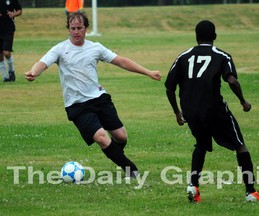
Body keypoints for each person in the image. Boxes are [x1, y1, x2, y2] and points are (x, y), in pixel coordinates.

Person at [25, 11, 161, 178]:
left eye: (79, 28)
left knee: (121, 136)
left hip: (99, 98)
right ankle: (131, 170)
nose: (76, 32)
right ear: (68, 29)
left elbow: (121, 61)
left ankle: (116, 155)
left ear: (86, 29)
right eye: (73, 28)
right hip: (77, 105)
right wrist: (34, 72)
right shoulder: (60, 49)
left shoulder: (95, 48)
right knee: (102, 138)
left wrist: (148, 72)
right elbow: (42, 63)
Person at [165, 20, 259, 202]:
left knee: (201, 145)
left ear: (196, 37)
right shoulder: (222, 55)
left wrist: (177, 112)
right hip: (214, 109)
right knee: (239, 145)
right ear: (214, 36)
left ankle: (193, 186)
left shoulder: (183, 56)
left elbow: (169, 87)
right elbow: (232, 81)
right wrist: (243, 102)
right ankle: (251, 191)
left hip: (191, 111)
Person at [0, 0, 22, 82]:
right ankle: (5, 77)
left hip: (8, 29)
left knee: (6, 52)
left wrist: (13, 14)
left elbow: (19, 10)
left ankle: (11, 71)